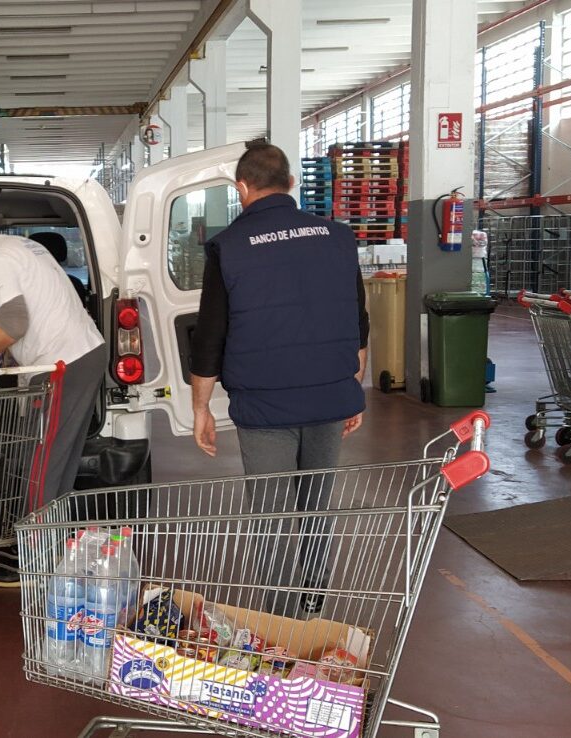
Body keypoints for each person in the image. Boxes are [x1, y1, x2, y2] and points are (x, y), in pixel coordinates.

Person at [188, 141, 369, 616]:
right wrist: (351, 389)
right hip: (329, 398)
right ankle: (312, 604)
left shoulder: (229, 247)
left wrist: (200, 407)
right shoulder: (338, 237)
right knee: (316, 506)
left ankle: (281, 620)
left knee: (271, 514)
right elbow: (357, 319)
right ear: (291, 183)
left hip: (265, 406)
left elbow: (210, 335)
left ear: (241, 188)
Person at [0, 215, 107, 587]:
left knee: (39, 464)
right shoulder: (22, 245)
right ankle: (53, 548)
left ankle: (33, 561)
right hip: (85, 354)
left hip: (62, 364)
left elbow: (15, 324)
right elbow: (27, 311)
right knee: (59, 462)